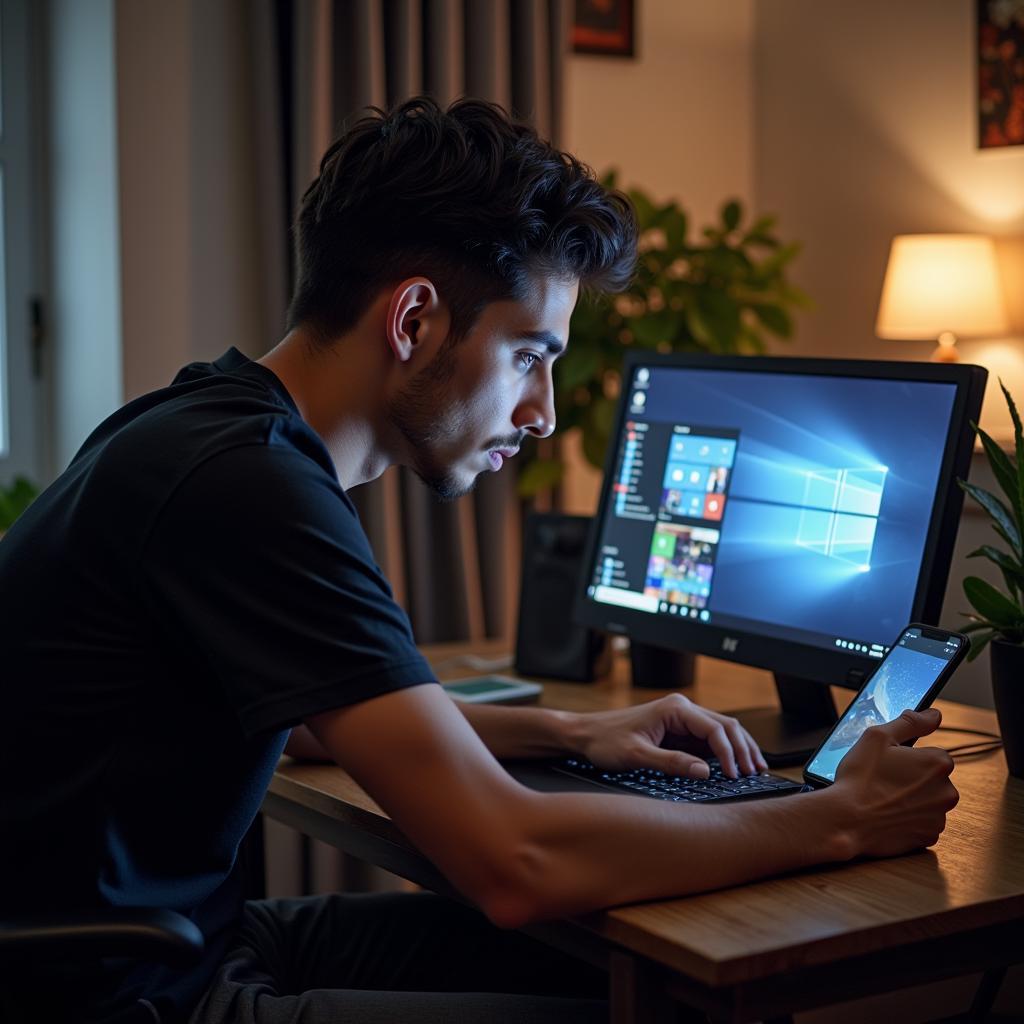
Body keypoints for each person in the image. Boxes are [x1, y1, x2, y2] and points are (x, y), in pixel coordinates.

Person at [0, 97, 958, 1024]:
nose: (542, 411)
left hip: (171, 943)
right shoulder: (250, 485)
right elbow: (515, 864)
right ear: (413, 319)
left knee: (623, 973)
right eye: (530, 355)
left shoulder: (202, 419)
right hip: (126, 994)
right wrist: (840, 819)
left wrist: (573, 735)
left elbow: (303, 727)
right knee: (651, 991)